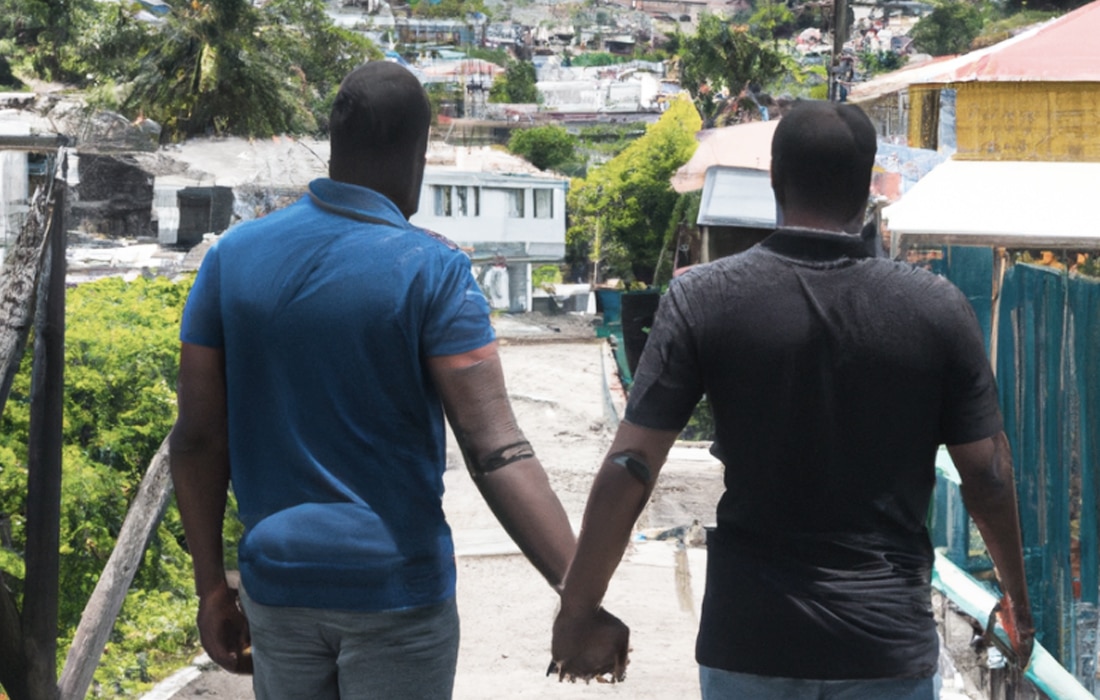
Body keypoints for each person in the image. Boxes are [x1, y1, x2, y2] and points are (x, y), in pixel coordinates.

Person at [551, 100, 1034, 698]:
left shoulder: (705, 298)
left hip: (750, 640)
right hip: (883, 647)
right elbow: (988, 474)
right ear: (868, 186)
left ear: (774, 178)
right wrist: (1017, 602)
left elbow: (632, 464)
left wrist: (578, 611)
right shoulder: (937, 309)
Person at [169, 61, 621, 699]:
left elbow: (195, 439)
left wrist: (211, 587)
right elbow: (496, 450)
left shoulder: (230, 259)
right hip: (396, 590)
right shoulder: (433, 269)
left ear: (334, 144)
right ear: (419, 151)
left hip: (279, 585)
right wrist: (578, 598)